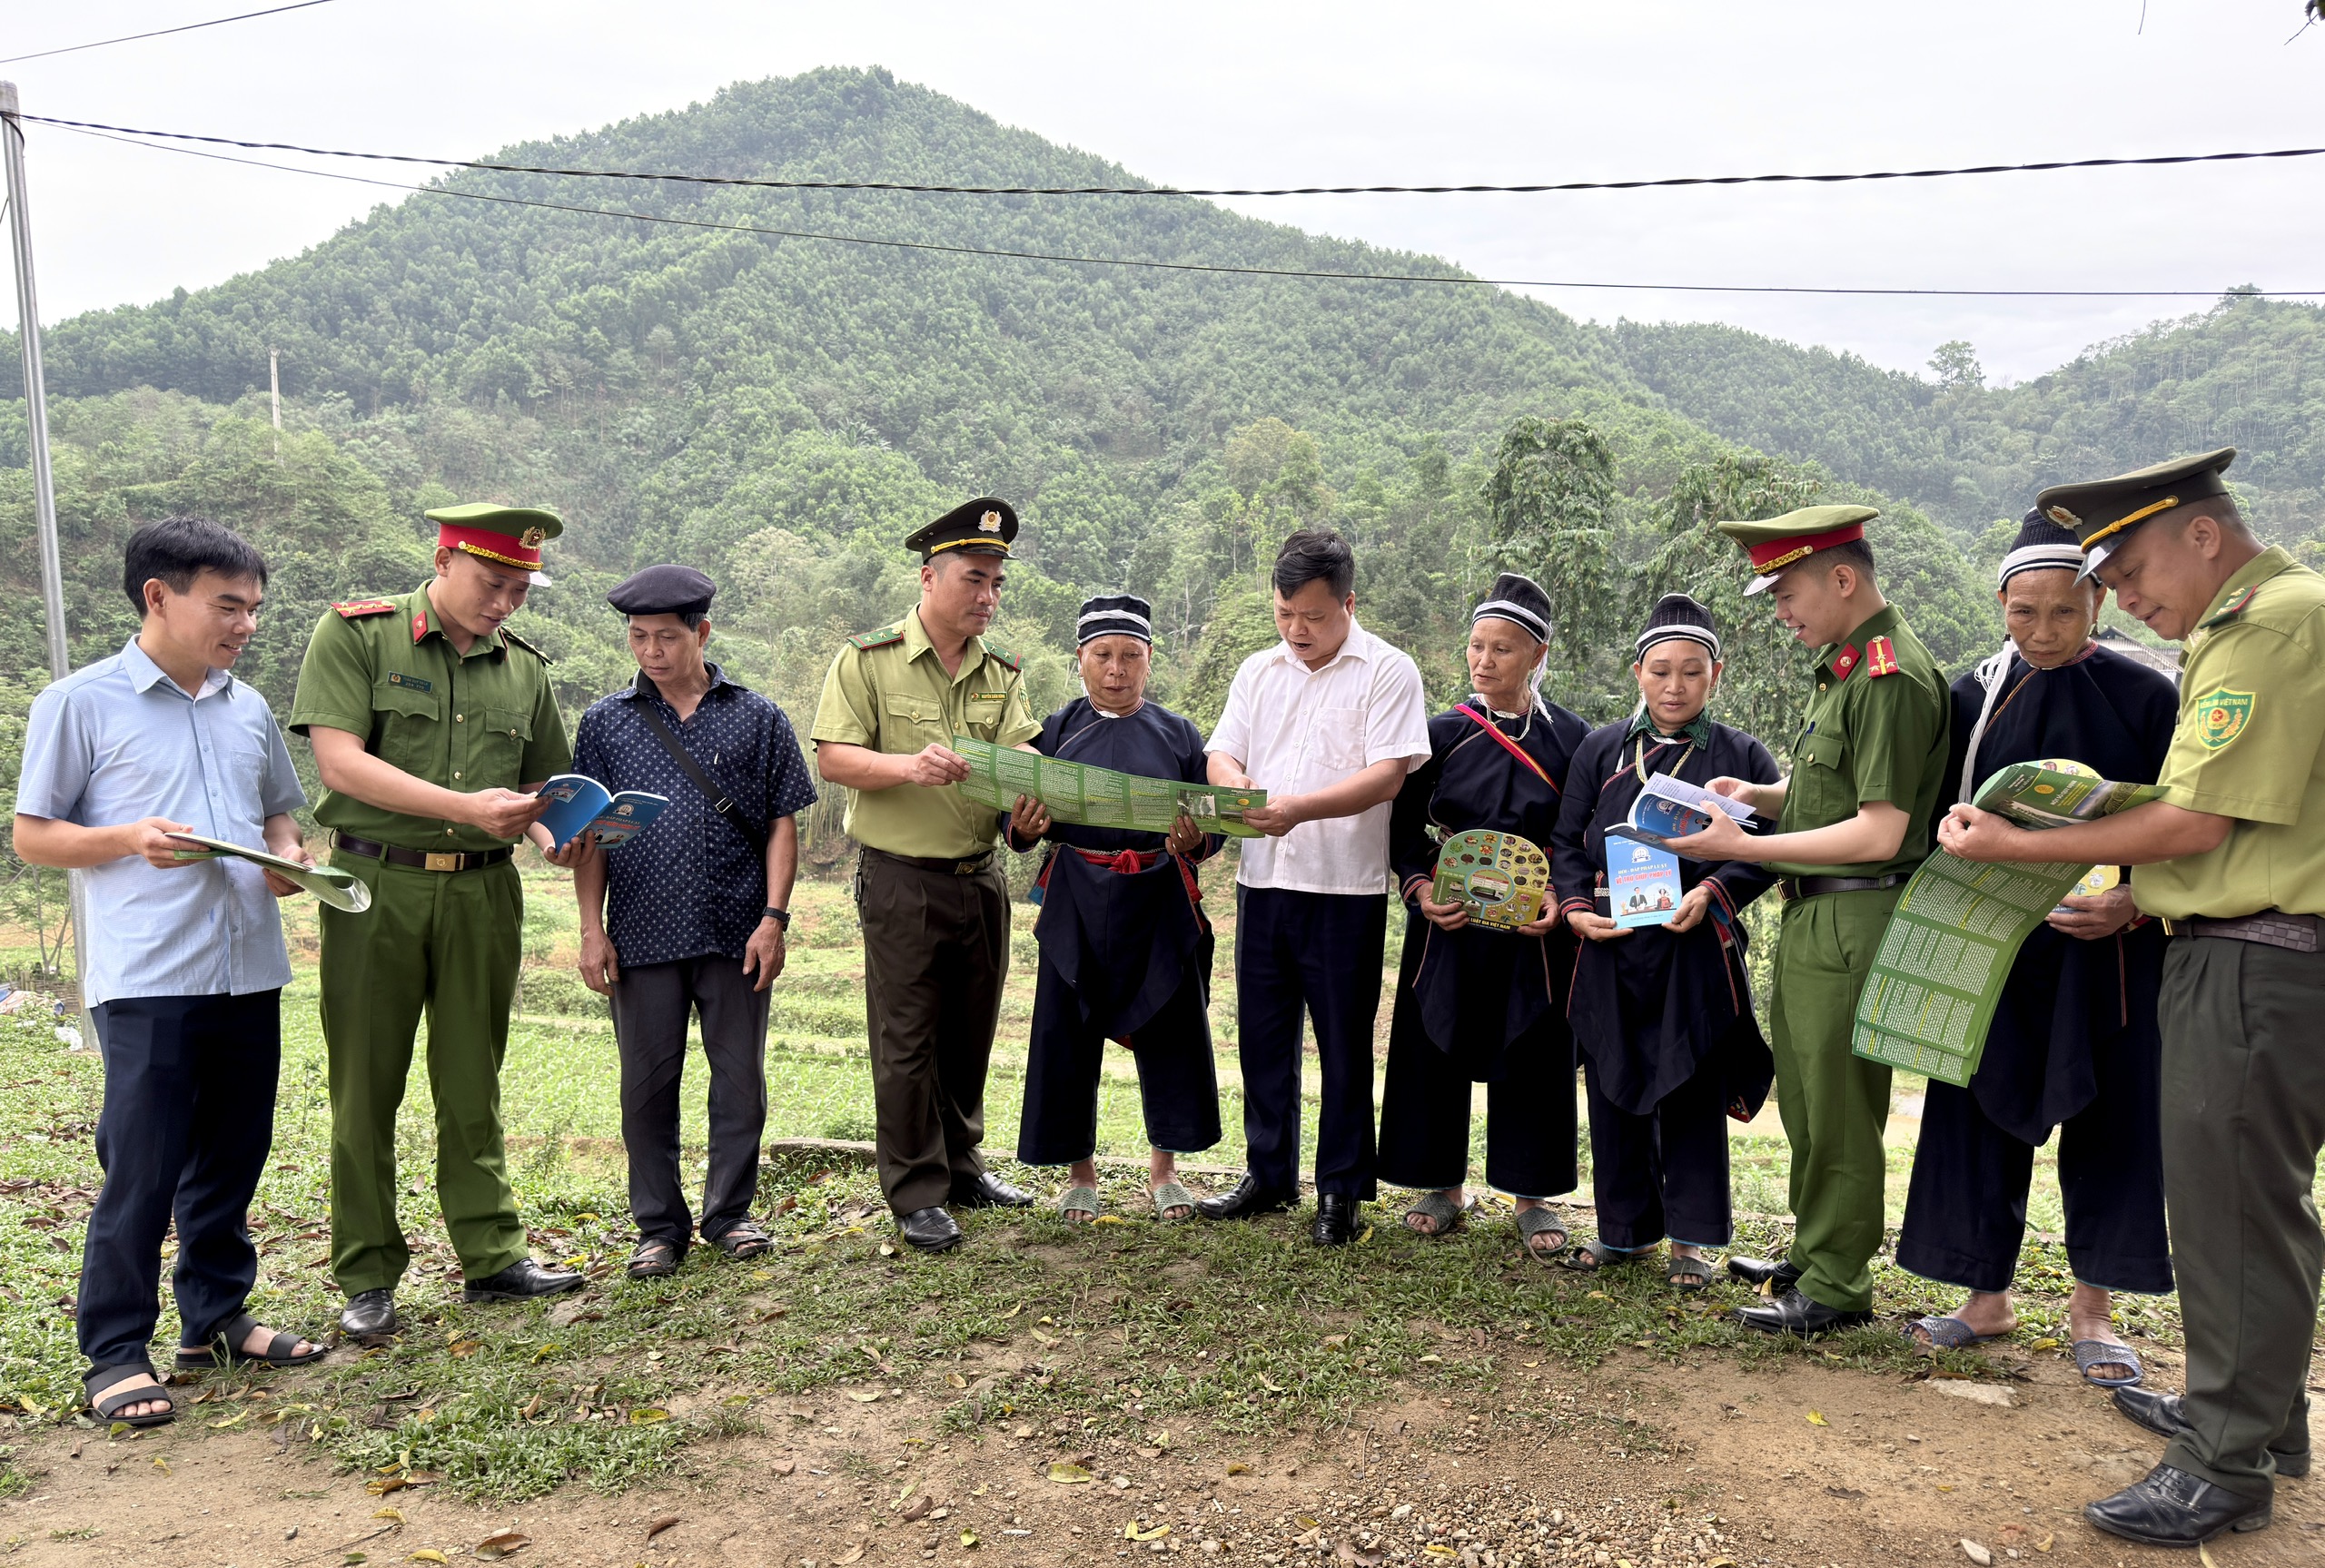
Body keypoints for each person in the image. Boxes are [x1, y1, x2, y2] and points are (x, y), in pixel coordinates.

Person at [1939, 449, 2324, 1549]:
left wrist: (2026, 839)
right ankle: (2255, 1418)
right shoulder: (2253, 622)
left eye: (2133, 564)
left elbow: (2200, 820)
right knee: (2259, 1207)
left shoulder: (2271, 624)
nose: (2129, 593)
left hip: (2256, 956)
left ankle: (2220, 1462)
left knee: (2232, 1215)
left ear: (2202, 534)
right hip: (2245, 945)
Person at [14, 518, 325, 1428]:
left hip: (248, 966)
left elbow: (279, 814)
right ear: (159, 595)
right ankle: (114, 1347)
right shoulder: (80, 702)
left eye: (253, 608)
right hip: (149, 973)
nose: (246, 625)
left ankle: (216, 1316)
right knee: (141, 1165)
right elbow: (35, 834)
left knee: (233, 1153)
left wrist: (286, 853)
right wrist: (126, 838)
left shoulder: (249, 708)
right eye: (228, 604)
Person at [1894, 511, 2178, 1384]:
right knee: (1978, 1106)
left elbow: (2184, 822)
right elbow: (1932, 810)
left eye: (2065, 610)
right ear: (2001, 604)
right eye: (2025, 613)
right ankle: (1985, 1298)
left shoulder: (2148, 696)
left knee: (2116, 1120)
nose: (2045, 631)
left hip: (2112, 949)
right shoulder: (1971, 700)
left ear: (2098, 598)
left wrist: (2137, 900)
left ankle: (2093, 1308)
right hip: (1998, 945)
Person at [290, 502, 585, 1339]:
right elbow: (341, 761)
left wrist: (550, 831)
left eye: (522, 589)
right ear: (444, 558)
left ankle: (492, 1255)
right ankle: (369, 1272)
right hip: (373, 885)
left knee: (471, 1079)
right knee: (365, 1082)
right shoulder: (358, 636)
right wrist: (464, 805)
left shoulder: (522, 669)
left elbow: (540, 787)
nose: (506, 603)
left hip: (484, 895)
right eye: (494, 583)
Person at [1667, 505, 1950, 1335]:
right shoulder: (1847, 671)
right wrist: (1755, 797)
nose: (1782, 612)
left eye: (1787, 593)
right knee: (1807, 1093)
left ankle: (1836, 1281)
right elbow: (1835, 791)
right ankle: (1813, 1246)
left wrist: (1748, 844)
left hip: (1858, 915)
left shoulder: (1891, 677)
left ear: (1841, 577)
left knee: (1841, 1103)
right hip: (1817, 912)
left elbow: (1881, 829)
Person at [569, 565, 820, 1279]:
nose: (651, 651)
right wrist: (592, 929)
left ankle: (730, 1214)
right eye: (638, 637)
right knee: (646, 1087)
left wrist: (774, 917)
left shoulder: (758, 715)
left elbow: (781, 824)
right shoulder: (606, 723)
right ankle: (658, 1225)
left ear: (702, 633)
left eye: (667, 638)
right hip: (642, 934)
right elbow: (589, 838)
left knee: (740, 1081)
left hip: (738, 930)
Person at [811, 498, 1043, 1253]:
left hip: (981, 877)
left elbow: (1021, 758)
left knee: (969, 1030)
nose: (989, 596)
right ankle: (915, 1189)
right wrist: (909, 765)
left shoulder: (999, 673)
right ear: (930, 576)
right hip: (902, 877)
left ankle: (963, 1165)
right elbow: (836, 758)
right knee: (906, 1037)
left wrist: (1035, 798)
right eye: (976, 579)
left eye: (998, 583)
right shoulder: (868, 660)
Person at [1200, 528, 1432, 1246]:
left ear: (1349, 604)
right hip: (1262, 881)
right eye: (1285, 613)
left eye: (1315, 616)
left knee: (1341, 1043)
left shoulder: (1388, 671)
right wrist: (1234, 782)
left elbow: (1388, 774)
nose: (1298, 630)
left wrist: (1297, 808)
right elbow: (1222, 750)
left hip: (1344, 889)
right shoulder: (1258, 671)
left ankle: (1339, 1191)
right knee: (1265, 1039)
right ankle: (1269, 1174)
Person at [1549, 594, 1781, 1287]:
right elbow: (1566, 841)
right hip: (1612, 940)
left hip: (1692, 947)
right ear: (1638, 673)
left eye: (1691, 672)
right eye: (1660, 671)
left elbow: (1767, 846)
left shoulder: (1740, 754)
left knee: (1690, 1085)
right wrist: (1572, 908)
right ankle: (1624, 1232)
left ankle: (1691, 1240)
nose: (1674, 687)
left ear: (1717, 673)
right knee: (1614, 1085)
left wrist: (1712, 891)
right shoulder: (1600, 749)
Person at [1378, 574, 1587, 1258]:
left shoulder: (1573, 741)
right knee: (1434, 1038)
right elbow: (1402, 826)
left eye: (1502, 648)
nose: (1484, 660)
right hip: (1450, 922)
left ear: (1537, 654)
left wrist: (1560, 893)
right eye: (1476, 646)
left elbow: (1580, 832)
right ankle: (1441, 1183)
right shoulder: (1438, 735)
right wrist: (1417, 887)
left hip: (1532, 933)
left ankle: (1532, 1196)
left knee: (1532, 1046)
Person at [1004, 594, 1224, 1221]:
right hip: (1076, 894)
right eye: (1103, 654)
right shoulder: (1050, 731)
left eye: (1131, 655)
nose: (1117, 668)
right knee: (1069, 1029)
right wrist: (1023, 822)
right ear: (1080, 658)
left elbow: (1211, 821)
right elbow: (1015, 822)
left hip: (1157, 895)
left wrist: (1194, 839)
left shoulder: (1180, 734)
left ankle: (1165, 1171)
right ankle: (1080, 1173)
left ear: (1149, 660)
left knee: (1172, 1030)